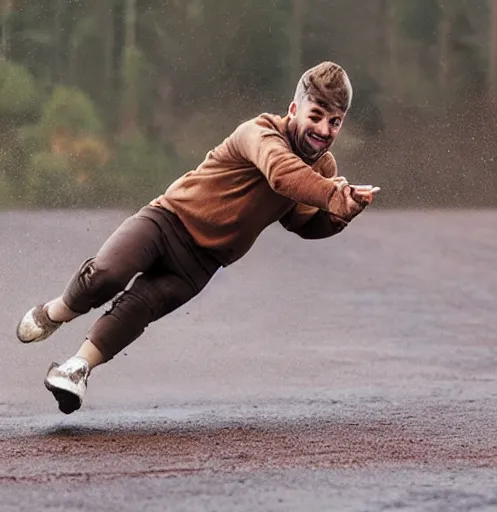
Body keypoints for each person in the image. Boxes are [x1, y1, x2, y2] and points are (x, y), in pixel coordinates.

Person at [16, 61, 380, 414]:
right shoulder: (258, 133)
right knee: (107, 274)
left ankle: (77, 368)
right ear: (294, 109)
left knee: (138, 308)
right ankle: (55, 311)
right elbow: (282, 175)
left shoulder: (323, 169)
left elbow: (301, 222)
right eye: (316, 116)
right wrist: (333, 195)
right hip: (167, 221)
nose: (323, 129)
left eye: (334, 122)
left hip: (202, 261)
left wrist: (339, 216)